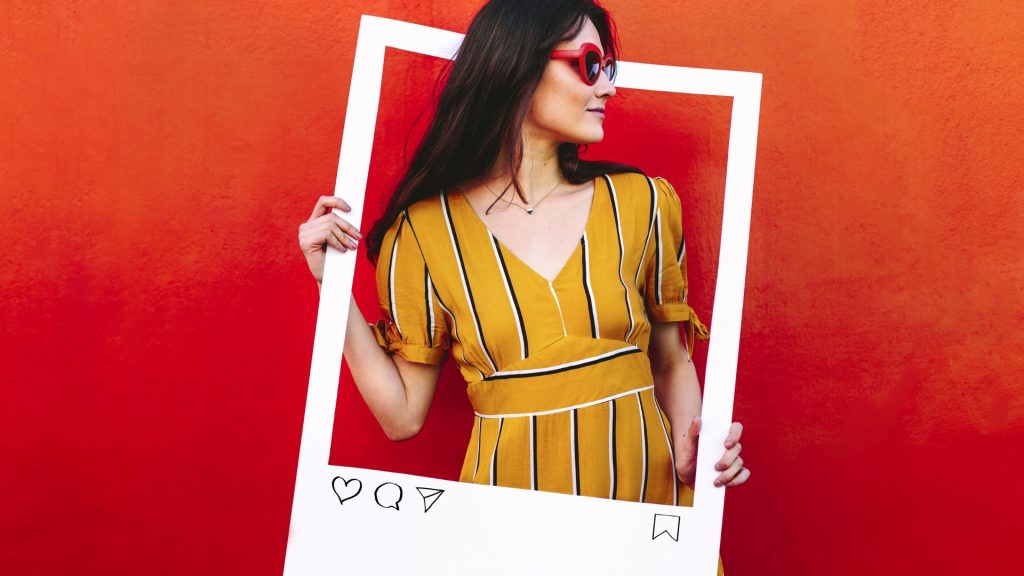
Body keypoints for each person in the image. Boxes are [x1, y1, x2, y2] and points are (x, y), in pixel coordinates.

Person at [298, 0, 747, 572]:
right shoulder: (424, 233)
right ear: (517, 67)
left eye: (609, 67)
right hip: (508, 536)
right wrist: (328, 283)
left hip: (647, 524)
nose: (607, 86)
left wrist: (697, 454)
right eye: (589, 64)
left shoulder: (644, 203)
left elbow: (670, 362)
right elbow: (402, 417)